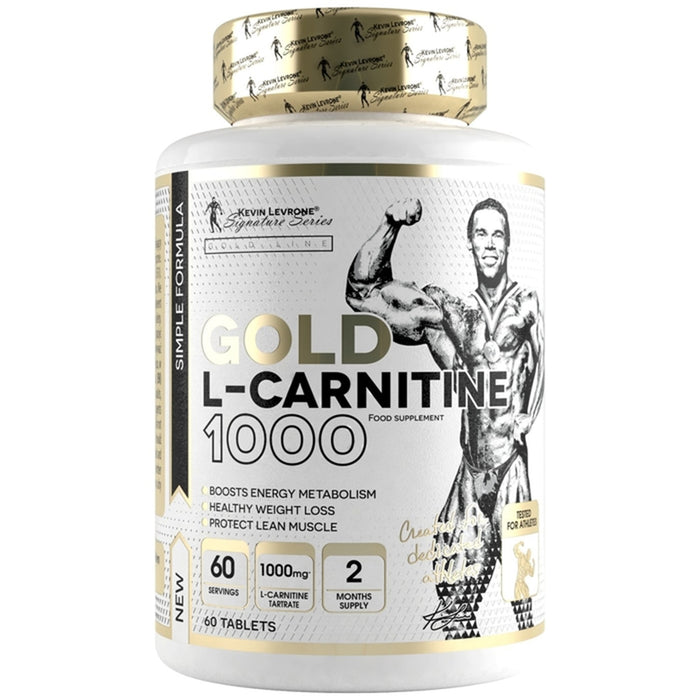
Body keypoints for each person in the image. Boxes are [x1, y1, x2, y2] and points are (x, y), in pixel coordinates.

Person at [346, 197, 544, 639]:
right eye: (481, 234)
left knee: (524, 600)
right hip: (470, 471)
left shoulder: (526, 305)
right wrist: (390, 224)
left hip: (510, 468)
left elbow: (547, 361)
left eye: (497, 234)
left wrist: (528, 416)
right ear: (469, 242)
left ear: (509, 243)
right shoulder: (451, 315)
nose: (489, 243)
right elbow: (362, 294)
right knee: (452, 601)